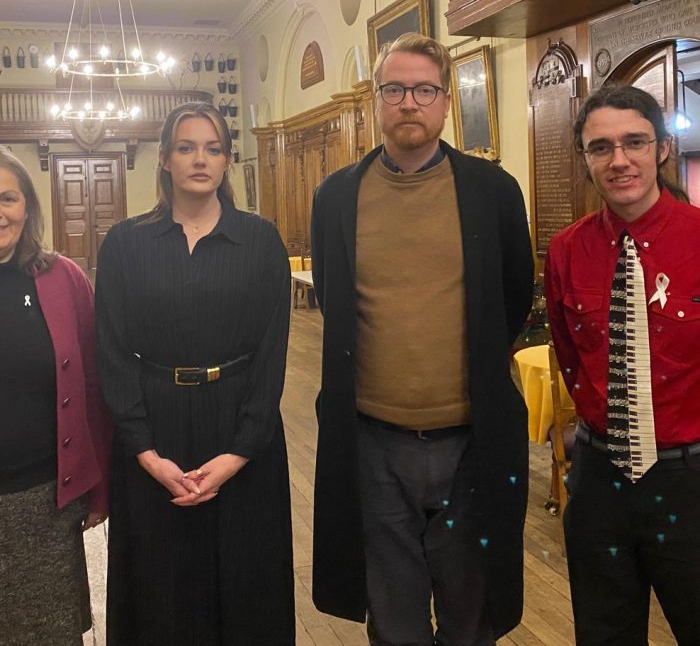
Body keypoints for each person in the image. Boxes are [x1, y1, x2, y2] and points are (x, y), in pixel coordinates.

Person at [310, 33, 534, 646]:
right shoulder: (335, 198)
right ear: (376, 101)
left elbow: (512, 296)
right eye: (395, 89)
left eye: (425, 90)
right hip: (374, 440)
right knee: (394, 613)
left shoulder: (493, 191)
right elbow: (334, 298)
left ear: (444, 102)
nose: (409, 102)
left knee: (470, 609)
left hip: (470, 440)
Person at [96, 102, 294, 645]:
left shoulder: (259, 242)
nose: (199, 159)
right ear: (164, 159)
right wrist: (145, 452)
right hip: (154, 429)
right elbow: (111, 351)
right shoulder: (125, 245)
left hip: (241, 431)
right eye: (186, 147)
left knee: (247, 586)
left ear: (228, 160)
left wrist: (238, 453)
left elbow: (271, 353)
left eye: (212, 148)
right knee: (157, 587)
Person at [545, 84, 700, 646]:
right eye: (600, 147)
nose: (619, 160)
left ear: (660, 148)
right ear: (586, 159)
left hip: (692, 481)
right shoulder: (566, 250)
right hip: (601, 481)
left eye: (634, 142)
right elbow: (568, 356)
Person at [0, 146, 111, 646]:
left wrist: (100, 482)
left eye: (7, 198)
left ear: (27, 206)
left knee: (47, 635)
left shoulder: (62, 277)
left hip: (43, 500)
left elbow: (93, 388)